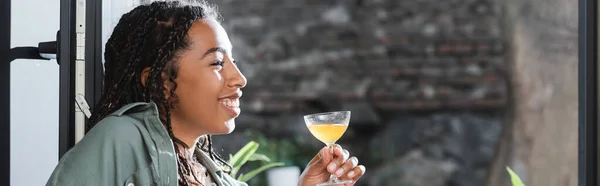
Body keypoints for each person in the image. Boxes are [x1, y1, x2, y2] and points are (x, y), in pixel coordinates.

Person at [46, 1, 365, 186]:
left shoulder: (213, 174)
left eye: (233, 62)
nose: (239, 79)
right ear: (160, 82)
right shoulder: (122, 137)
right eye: (216, 62)